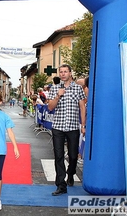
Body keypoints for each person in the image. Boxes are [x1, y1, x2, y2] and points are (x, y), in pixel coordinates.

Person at [47, 64, 86, 196]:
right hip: (58, 126)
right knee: (58, 156)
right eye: (61, 72)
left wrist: (83, 125)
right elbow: (50, 107)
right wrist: (58, 96)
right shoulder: (55, 88)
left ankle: (71, 173)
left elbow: (82, 107)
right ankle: (61, 185)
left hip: (73, 127)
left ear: (70, 73)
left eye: (65, 72)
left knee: (73, 155)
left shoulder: (77, 88)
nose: (63, 74)